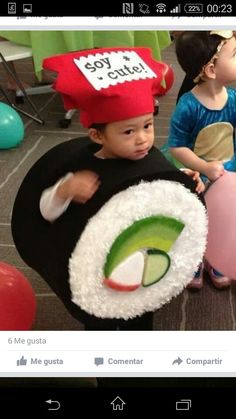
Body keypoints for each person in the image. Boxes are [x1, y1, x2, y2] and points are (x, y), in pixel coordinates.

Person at [12, 47, 207, 331]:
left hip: (140, 263)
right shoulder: (83, 169)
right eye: (128, 132)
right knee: (101, 321)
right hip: (101, 275)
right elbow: (46, 213)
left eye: (148, 126)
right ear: (96, 135)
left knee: (141, 311)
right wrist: (65, 190)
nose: (142, 139)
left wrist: (180, 175)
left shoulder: (147, 153)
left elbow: (153, 180)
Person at [167, 30, 236, 290]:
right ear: (210, 70)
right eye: (234, 55)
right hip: (196, 172)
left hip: (228, 168)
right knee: (195, 217)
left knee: (224, 217)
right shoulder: (189, 105)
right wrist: (204, 167)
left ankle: (216, 256)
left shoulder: (233, 99)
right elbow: (176, 147)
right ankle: (194, 257)